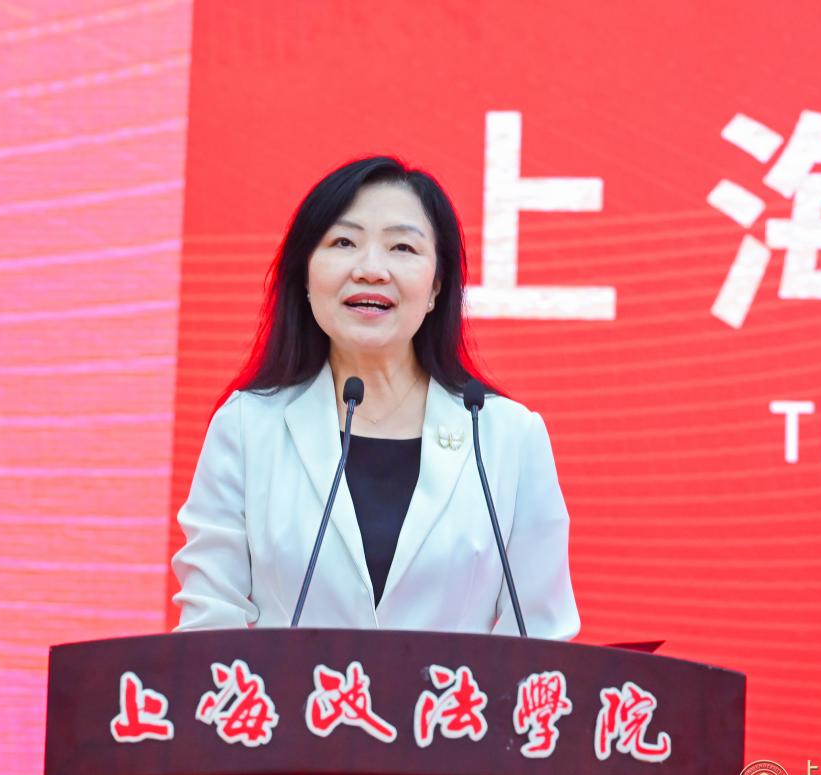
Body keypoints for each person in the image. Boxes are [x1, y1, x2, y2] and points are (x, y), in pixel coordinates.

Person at [171, 156, 579, 640]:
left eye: (402, 247)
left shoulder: (507, 435)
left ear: (436, 287)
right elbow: (208, 627)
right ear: (305, 277)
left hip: (455, 694)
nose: (370, 270)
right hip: (295, 694)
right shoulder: (246, 426)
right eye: (343, 243)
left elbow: (541, 640)